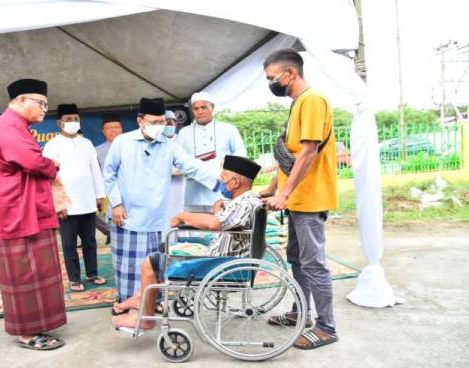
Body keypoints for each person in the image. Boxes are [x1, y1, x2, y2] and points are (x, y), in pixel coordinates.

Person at [112, 155, 262, 328]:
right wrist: (216, 212)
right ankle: (140, 298)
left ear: (235, 182)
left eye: (223, 178)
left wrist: (183, 216)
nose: (221, 182)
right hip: (224, 257)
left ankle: (145, 319)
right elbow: (223, 222)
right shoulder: (248, 200)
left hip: (221, 265)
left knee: (150, 262)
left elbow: (214, 224)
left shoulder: (243, 204)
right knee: (166, 249)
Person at [0, 79, 66, 351]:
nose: (44, 109)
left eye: (45, 104)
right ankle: (28, 333)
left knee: (38, 271)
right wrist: (52, 164)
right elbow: (31, 161)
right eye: (40, 103)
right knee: (24, 274)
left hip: (26, 212)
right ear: (19, 100)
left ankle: (37, 323)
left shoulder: (17, 126)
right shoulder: (7, 127)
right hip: (14, 215)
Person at [104, 97, 219, 302]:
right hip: (126, 214)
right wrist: (116, 204)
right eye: (154, 122)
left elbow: (191, 165)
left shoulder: (169, 145)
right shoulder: (123, 142)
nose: (159, 126)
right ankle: (127, 303)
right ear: (140, 121)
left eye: (161, 122)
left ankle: (151, 302)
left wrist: (220, 185)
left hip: (155, 217)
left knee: (154, 264)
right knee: (127, 266)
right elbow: (109, 174)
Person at [261, 49, 338, 350]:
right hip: (296, 199)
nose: (271, 83)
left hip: (310, 199)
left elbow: (308, 153)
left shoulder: (313, 101)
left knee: (313, 263)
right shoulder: (297, 105)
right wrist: (272, 187)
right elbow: (290, 155)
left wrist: (284, 192)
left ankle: (326, 327)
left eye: (272, 78)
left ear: (289, 73)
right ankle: (300, 313)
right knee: (296, 258)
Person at [43, 103, 107, 292]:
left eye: (75, 119)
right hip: (66, 204)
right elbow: (49, 177)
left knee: (90, 241)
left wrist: (99, 195)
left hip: (87, 201)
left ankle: (92, 273)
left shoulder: (86, 143)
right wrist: (57, 203)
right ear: (59, 123)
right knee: (69, 243)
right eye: (68, 120)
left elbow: (95, 170)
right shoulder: (51, 145)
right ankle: (74, 278)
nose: (73, 123)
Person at [177, 91, 247, 213]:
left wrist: (225, 164)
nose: (200, 111)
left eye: (204, 107)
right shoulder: (183, 133)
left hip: (222, 192)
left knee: (221, 228)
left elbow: (241, 154)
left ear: (212, 107)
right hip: (194, 194)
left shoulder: (228, 129)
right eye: (196, 108)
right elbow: (178, 158)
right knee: (194, 229)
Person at [95, 114, 123, 245]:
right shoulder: (96, 150)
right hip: (108, 193)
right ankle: (110, 233)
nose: (113, 130)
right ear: (103, 131)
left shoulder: (132, 146)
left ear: (122, 129)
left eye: (116, 127)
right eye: (109, 128)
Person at [163, 110, 185, 233]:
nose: (167, 126)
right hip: (160, 188)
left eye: (169, 123)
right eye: (163, 123)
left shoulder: (182, 141)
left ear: (175, 123)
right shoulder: (154, 142)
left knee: (178, 214)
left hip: (179, 186)